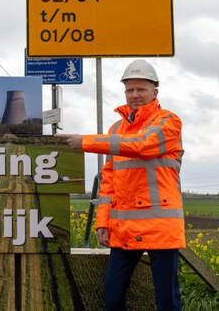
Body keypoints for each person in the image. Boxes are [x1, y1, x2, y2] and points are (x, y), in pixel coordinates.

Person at [58, 59, 184, 311]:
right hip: (124, 228)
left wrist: (85, 141)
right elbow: (109, 180)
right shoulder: (116, 128)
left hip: (160, 228)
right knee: (112, 293)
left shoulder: (169, 122)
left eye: (141, 89)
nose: (134, 95)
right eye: (130, 90)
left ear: (155, 91)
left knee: (167, 300)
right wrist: (103, 222)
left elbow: (142, 144)